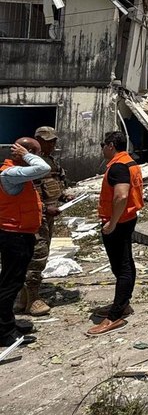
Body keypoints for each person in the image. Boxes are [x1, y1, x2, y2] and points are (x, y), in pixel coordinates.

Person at [87, 131, 144, 336]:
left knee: (122, 268)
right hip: (127, 218)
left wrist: (112, 222)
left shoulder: (118, 166)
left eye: (103, 144)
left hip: (119, 222)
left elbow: (121, 196)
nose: (102, 148)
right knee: (126, 263)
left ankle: (115, 316)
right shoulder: (129, 162)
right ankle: (123, 304)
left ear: (111, 145)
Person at [0, 138, 50, 347]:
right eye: (35, 153)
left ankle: (8, 324)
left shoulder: (17, 173)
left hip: (20, 234)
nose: (38, 157)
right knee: (9, 285)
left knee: (13, 281)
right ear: (25, 152)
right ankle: (4, 333)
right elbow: (43, 168)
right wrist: (27, 154)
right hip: (14, 236)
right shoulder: (10, 173)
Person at [15, 127, 67, 317]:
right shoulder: (29, 165)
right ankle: (32, 299)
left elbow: (55, 183)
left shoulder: (50, 161)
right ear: (36, 141)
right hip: (36, 217)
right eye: (47, 141)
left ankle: (24, 298)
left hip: (48, 216)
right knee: (37, 256)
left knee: (40, 255)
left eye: (54, 141)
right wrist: (46, 209)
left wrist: (63, 197)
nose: (52, 144)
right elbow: (29, 195)